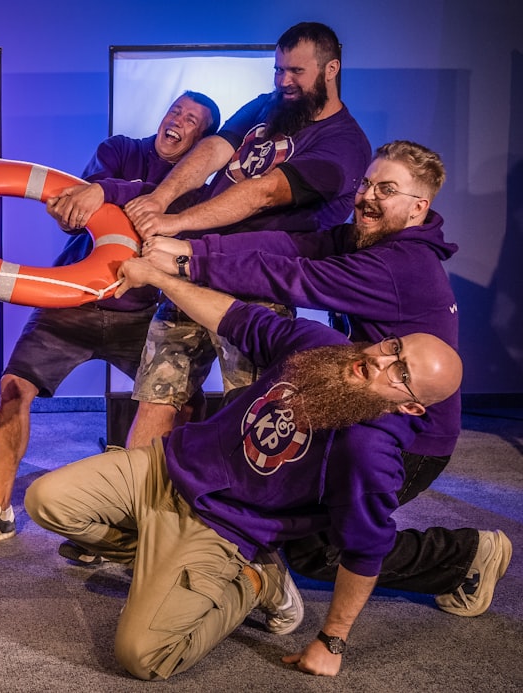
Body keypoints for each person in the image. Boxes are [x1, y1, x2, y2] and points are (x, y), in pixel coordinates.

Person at [26, 257, 462, 680]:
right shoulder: (322, 347)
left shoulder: (371, 453)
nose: (382, 361)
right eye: (393, 348)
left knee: (143, 657)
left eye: (400, 372)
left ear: (410, 405)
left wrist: (332, 640)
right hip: (167, 465)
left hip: (223, 524)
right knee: (45, 501)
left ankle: (255, 581)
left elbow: (367, 550)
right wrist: (157, 275)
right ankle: (167, 576)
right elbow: (235, 318)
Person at [139, 140, 513, 616]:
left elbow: (292, 278)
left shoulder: (399, 266)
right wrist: (192, 246)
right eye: (368, 183)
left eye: (388, 189)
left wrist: (187, 263)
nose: (368, 196)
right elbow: (288, 245)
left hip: (412, 436)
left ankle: (464, 555)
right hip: (368, 405)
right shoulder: (373, 239)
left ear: (419, 208)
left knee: (319, 549)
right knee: (297, 515)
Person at [0, 91, 221, 551]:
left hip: (140, 312)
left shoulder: (198, 187)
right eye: (175, 110)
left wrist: (112, 190)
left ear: (203, 141)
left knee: (186, 403)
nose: (177, 120)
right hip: (71, 303)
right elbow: (85, 209)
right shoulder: (119, 149)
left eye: (192, 119)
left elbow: (161, 212)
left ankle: (156, 509)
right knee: (14, 387)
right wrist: (101, 193)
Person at [122, 22, 371, 448]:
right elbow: (216, 148)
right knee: (157, 397)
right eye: (278, 70)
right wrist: (161, 200)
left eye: (296, 71)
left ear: (331, 69)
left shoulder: (345, 144)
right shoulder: (267, 105)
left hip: (255, 288)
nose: (283, 82)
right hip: (190, 269)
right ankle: (134, 504)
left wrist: (175, 223)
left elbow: (264, 191)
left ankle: (236, 509)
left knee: (252, 406)